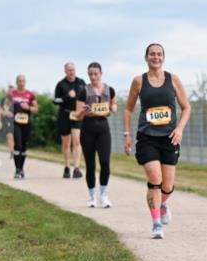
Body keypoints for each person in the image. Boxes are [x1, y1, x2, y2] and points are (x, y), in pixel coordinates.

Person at [123, 43, 190, 239]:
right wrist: (127, 134)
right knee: (155, 180)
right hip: (147, 137)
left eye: (159, 54)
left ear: (163, 57)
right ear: (146, 57)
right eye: (152, 54)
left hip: (169, 137)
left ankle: (162, 203)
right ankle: (156, 224)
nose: (156, 57)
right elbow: (128, 109)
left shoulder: (173, 79)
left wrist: (179, 129)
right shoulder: (138, 81)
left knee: (167, 186)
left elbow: (186, 108)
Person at [77, 62, 117, 208]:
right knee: (90, 164)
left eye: (96, 73)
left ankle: (104, 195)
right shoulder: (83, 91)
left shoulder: (109, 89)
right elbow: (77, 114)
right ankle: (92, 196)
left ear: (101, 73)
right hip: (87, 129)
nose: (93, 76)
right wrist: (84, 112)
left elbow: (114, 105)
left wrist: (113, 107)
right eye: (90, 74)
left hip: (103, 129)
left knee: (105, 162)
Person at [53, 62, 87, 178]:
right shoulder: (61, 84)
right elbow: (55, 100)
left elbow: (86, 97)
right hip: (64, 115)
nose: (72, 72)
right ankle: (67, 167)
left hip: (77, 115)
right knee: (66, 143)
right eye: (69, 70)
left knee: (77, 141)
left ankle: (76, 168)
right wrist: (67, 96)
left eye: (73, 70)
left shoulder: (81, 83)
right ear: (65, 71)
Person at [5, 75, 38, 179]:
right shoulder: (12, 93)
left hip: (26, 122)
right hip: (15, 122)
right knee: (17, 145)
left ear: (25, 82)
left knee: (24, 147)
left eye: (23, 81)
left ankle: (21, 168)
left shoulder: (30, 94)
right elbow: (5, 105)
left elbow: (35, 108)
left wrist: (28, 107)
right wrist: (6, 111)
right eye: (19, 81)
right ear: (16, 82)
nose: (21, 82)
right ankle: (17, 169)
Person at [1, 85, 16, 159]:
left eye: (13, 91)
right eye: (10, 90)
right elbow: (0, 109)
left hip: (16, 120)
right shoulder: (3, 99)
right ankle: (12, 152)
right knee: (10, 136)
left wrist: (13, 114)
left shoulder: (17, 100)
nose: (11, 92)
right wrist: (3, 113)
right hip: (7, 120)